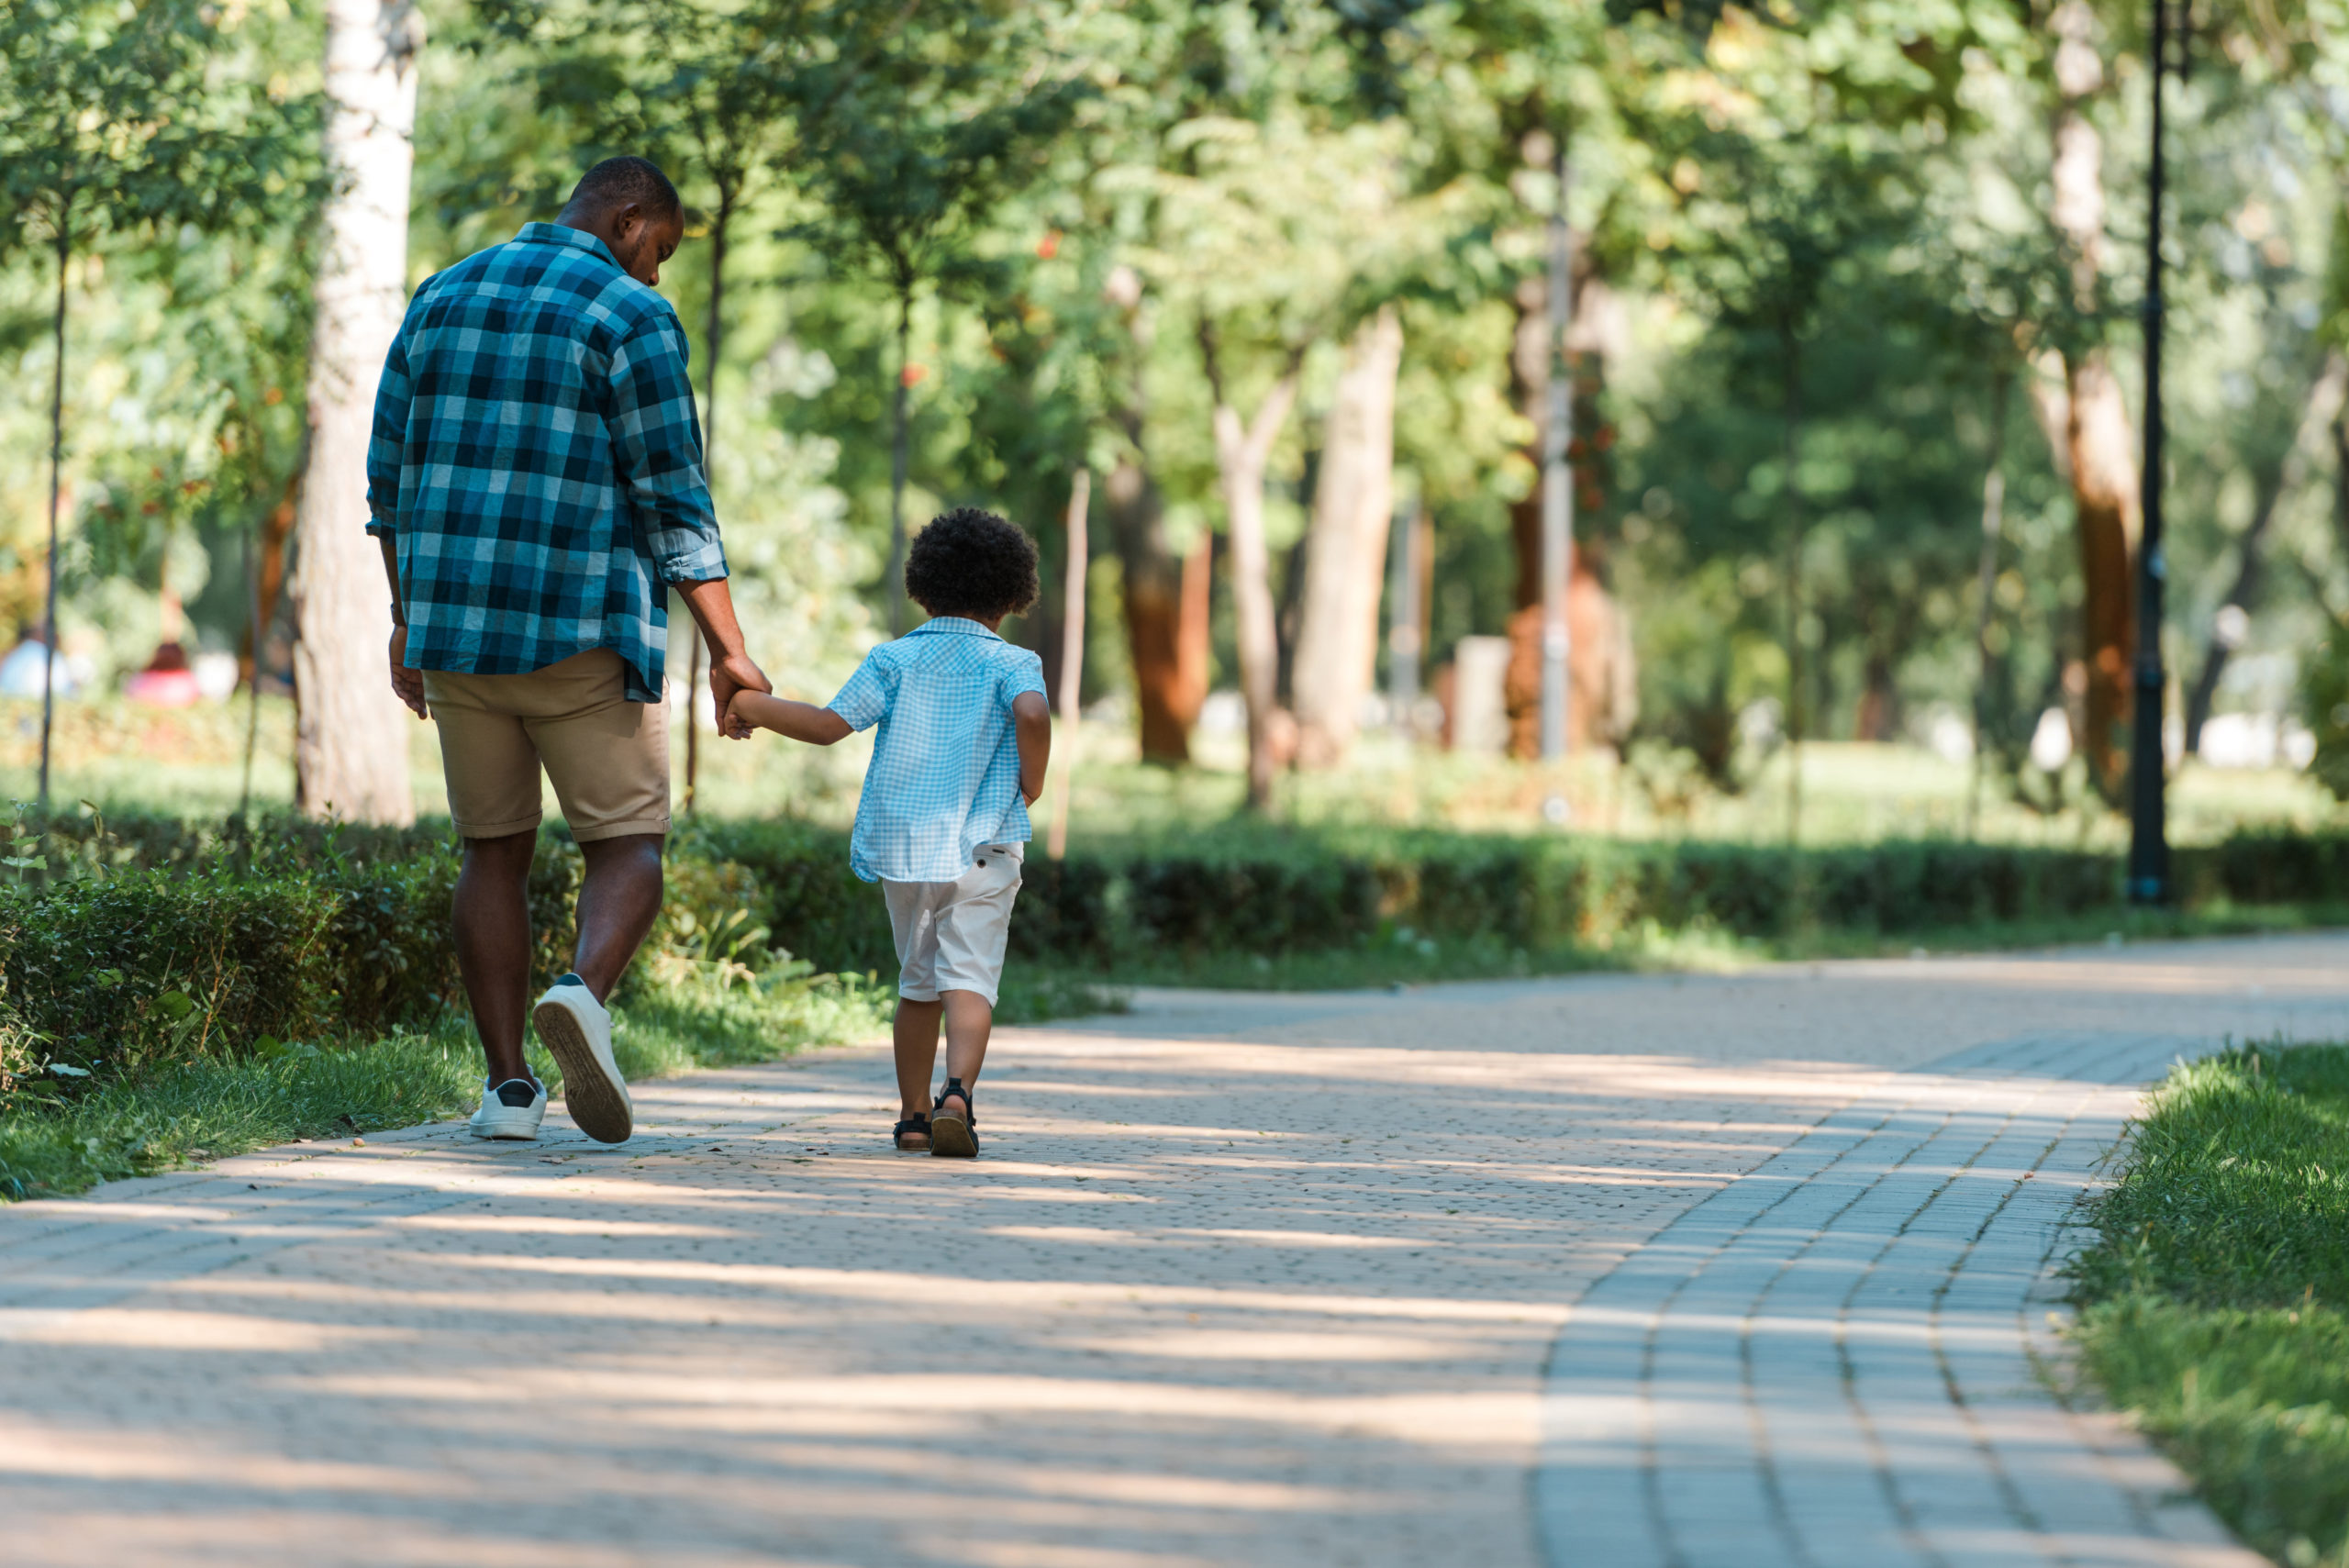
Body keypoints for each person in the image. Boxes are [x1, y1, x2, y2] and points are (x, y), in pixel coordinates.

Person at [365, 155, 769, 1145]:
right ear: (628, 220)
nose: (659, 273)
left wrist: (407, 617)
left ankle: (506, 1092)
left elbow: (389, 477)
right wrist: (731, 651)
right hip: (582, 632)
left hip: (457, 632)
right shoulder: (629, 316)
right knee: (628, 842)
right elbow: (674, 497)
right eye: (662, 249)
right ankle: (580, 991)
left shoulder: (443, 292)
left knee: (489, 852)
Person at [726, 508, 1050, 1157]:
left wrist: (749, 706)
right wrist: (1031, 781)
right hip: (985, 845)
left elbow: (826, 725)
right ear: (1014, 592)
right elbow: (1034, 712)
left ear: (922, 583)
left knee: (917, 983)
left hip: (907, 850)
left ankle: (910, 1115)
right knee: (970, 979)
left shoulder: (894, 657)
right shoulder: (1014, 661)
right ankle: (957, 1094)